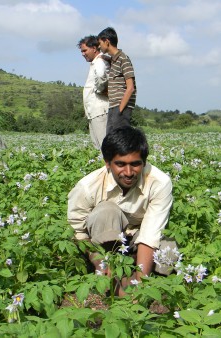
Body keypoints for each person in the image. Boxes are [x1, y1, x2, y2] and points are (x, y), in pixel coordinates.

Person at [67, 126, 178, 296]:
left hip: (137, 241)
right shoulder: (87, 187)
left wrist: (140, 289)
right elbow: (78, 233)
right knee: (106, 210)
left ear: (144, 162)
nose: (128, 172)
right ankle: (107, 272)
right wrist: (97, 260)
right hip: (102, 243)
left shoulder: (159, 182)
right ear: (108, 163)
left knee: (169, 249)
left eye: (135, 164)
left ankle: (137, 276)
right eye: (120, 164)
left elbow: (150, 236)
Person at [97, 27, 137, 134]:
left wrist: (120, 110)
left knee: (119, 140)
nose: (99, 46)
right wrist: (104, 58)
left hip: (120, 107)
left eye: (100, 43)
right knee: (111, 140)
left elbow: (130, 88)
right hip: (114, 106)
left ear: (107, 42)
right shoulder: (115, 60)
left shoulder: (123, 59)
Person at [77, 35, 109, 149]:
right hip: (94, 112)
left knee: (104, 147)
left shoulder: (99, 61)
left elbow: (101, 76)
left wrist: (99, 90)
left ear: (94, 48)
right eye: (82, 51)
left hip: (99, 111)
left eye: (85, 50)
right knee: (98, 146)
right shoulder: (96, 62)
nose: (83, 54)